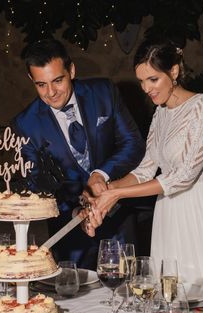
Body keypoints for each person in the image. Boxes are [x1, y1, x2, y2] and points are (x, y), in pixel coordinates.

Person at [85, 37, 203, 301]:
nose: (146, 89)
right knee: (171, 298)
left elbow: (184, 176)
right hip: (169, 213)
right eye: (142, 81)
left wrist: (117, 195)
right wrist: (108, 188)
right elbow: (146, 168)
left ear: (173, 71)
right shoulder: (161, 113)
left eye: (152, 79)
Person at [13, 39, 145, 269]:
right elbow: (39, 185)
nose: (51, 92)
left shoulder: (103, 92)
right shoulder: (26, 124)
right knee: (71, 297)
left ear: (71, 70)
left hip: (118, 216)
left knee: (125, 289)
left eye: (57, 80)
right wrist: (76, 212)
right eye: (41, 84)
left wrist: (101, 174)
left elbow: (133, 143)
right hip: (70, 229)